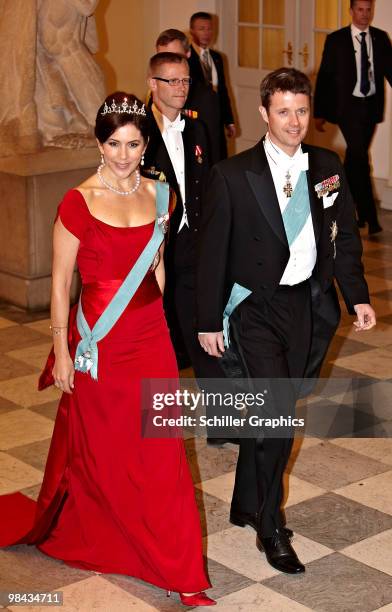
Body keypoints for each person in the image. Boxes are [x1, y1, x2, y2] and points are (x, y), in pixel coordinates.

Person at [0, 92, 215, 607]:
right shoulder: (78, 201)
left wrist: (166, 330)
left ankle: (182, 570)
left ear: (146, 145)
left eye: (133, 143)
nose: (123, 154)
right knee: (103, 452)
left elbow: (157, 266)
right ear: (100, 143)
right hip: (98, 344)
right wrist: (63, 352)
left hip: (150, 342)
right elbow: (59, 286)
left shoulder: (162, 195)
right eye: (114, 143)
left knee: (163, 453)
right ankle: (108, 533)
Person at [197, 68, 376, 575]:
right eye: (283, 111)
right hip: (254, 308)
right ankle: (270, 526)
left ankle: (245, 501)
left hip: (307, 306)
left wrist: (355, 295)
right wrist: (209, 320)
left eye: (301, 110)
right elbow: (211, 255)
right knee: (276, 415)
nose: (295, 121)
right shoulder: (233, 175)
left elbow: (344, 239)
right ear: (264, 114)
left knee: (277, 406)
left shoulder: (327, 165)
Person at [144, 52, 223, 386]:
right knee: (158, 336)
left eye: (185, 80)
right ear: (153, 83)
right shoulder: (137, 132)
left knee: (206, 332)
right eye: (172, 80)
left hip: (194, 242)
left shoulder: (197, 127)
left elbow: (212, 183)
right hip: (154, 249)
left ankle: (225, 423)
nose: (181, 87)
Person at [314, 0, 392, 235]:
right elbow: (325, 77)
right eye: (360, 9)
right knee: (360, 157)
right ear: (351, 11)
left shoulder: (380, 37)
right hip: (346, 109)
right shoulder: (336, 40)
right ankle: (371, 216)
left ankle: (347, 209)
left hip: (371, 106)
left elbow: (390, 69)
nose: (364, 14)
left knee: (353, 160)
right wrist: (319, 112)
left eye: (368, 10)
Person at [155, 28, 222, 165]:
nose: (168, 65)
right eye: (162, 58)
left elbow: (215, 152)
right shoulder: (154, 94)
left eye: (174, 57)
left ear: (188, 53)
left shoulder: (206, 98)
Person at [189, 11, 236, 160]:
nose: (206, 33)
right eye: (201, 29)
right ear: (192, 31)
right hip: (196, 121)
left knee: (219, 159)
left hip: (216, 120)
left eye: (209, 29)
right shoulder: (186, 58)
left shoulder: (217, 58)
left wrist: (229, 121)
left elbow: (223, 90)